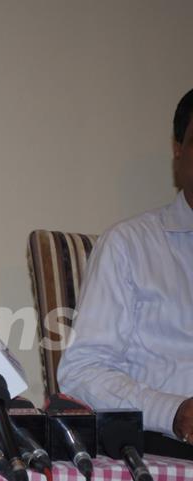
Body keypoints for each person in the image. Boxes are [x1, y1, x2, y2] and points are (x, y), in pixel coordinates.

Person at [58, 88, 193, 457]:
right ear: (178, 149)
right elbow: (82, 373)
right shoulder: (129, 246)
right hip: (167, 448)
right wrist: (175, 411)